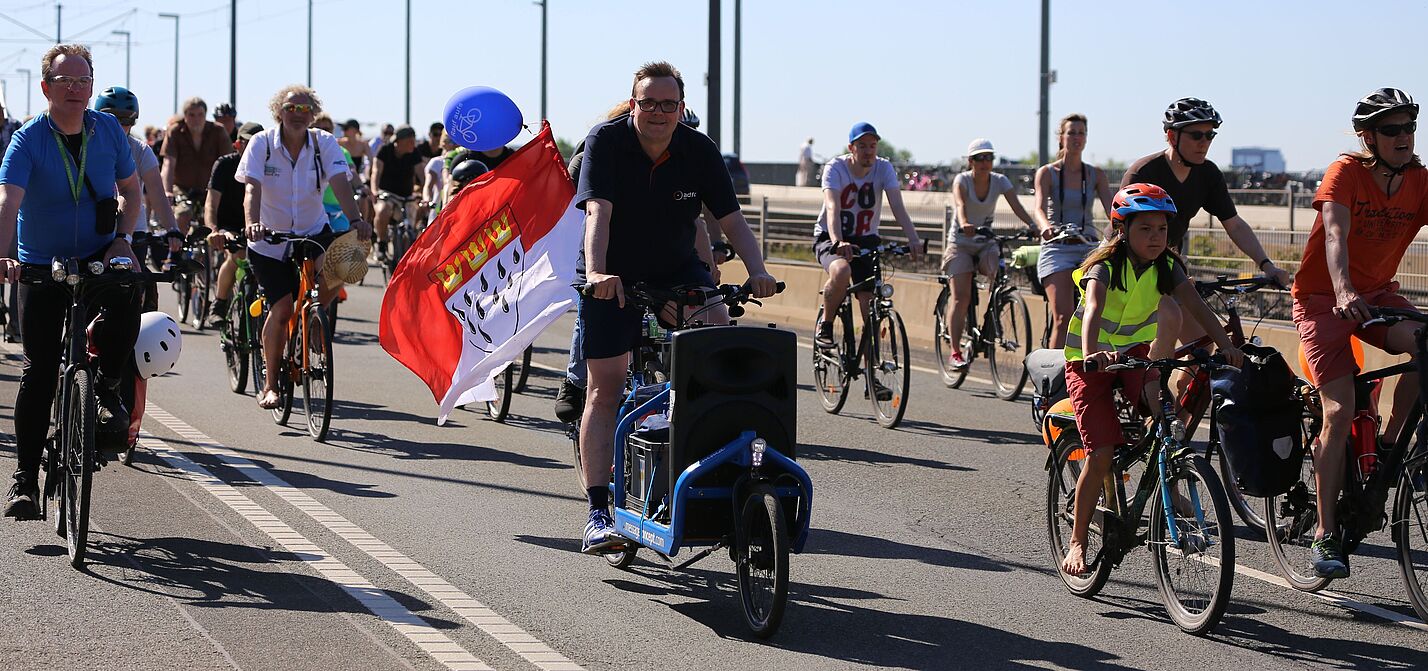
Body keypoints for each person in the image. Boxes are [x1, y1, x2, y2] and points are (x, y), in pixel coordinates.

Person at [575, 61, 778, 553]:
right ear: (634, 103)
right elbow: (598, 213)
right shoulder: (605, 142)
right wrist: (599, 272)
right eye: (648, 103)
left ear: (681, 108)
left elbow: (731, 220)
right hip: (614, 272)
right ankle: (598, 513)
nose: (659, 113)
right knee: (604, 389)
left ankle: (713, 467)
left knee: (718, 331)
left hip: (675, 268)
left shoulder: (698, 150)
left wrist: (758, 269)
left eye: (669, 104)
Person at [1059, 183, 1243, 576]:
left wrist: (1228, 346)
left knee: (1165, 417)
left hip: (1134, 356)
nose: (1156, 237)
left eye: (1161, 229)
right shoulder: (1104, 266)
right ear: (1122, 230)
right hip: (1087, 362)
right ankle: (1077, 540)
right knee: (1102, 452)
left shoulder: (1168, 266)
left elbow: (1198, 306)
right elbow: (1092, 308)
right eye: (1145, 229)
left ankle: (1172, 487)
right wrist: (1092, 353)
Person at [0, 44, 145, 519]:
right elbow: (9, 202)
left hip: (100, 253)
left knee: (130, 292)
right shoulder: (27, 140)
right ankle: (23, 479)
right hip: (41, 262)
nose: (77, 90)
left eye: (84, 81)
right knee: (39, 370)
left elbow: (131, 189)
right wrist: (4, 255)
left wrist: (124, 239)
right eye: (66, 82)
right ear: (46, 88)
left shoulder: (107, 130)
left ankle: (104, 388)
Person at [1293, 88, 1428, 579]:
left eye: (1410, 127)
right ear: (1368, 136)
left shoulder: (1419, 180)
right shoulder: (1346, 172)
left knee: (1425, 346)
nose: (1404, 137)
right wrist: (1344, 288)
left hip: (1380, 296)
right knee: (1339, 408)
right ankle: (1325, 532)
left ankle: (1392, 444)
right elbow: (1333, 232)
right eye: (1391, 129)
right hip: (1324, 301)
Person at [236, 84, 370, 410]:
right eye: (291, 108)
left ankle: (312, 318)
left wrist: (356, 220)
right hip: (270, 239)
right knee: (281, 309)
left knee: (350, 261)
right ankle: (269, 385)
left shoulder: (323, 143)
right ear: (278, 111)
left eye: (305, 109)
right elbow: (252, 189)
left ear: (313, 114)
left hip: (312, 231)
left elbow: (340, 183)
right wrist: (252, 222)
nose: (298, 114)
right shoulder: (262, 144)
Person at [1121, 98, 1293, 347]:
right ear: (1172, 136)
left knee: (1202, 343)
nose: (1204, 143)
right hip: (1132, 269)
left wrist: (1268, 266)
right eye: (1196, 135)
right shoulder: (1144, 173)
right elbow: (1120, 232)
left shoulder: (1208, 174)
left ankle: (1180, 389)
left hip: (1169, 267)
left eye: (1210, 135)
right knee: (1163, 334)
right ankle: (1151, 386)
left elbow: (1234, 225)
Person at [812, 122, 923, 370]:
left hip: (866, 240)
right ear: (851, 148)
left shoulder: (883, 168)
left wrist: (913, 239)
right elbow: (832, 206)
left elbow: (897, 206)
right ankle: (826, 325)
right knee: (841, 272)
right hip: (831, 236)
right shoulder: (836, 168)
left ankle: (872, 374)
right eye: (862, 146)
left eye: (872, 145)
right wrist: (838, 240)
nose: (868, 151)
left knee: (869, 306)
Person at [942, 138, 1037, 369]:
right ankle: (955, 351)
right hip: (961, 242)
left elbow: (1016, 205)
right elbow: (961, 204)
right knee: (961, 297)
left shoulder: (1000, 181)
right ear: (970, 161)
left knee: (997, 272)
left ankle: (992, 320)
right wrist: (964, 223)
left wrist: (1033, 225)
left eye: (989, 158)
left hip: (986, 242)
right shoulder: (962, 180)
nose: (985, 162)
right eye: (979, 158)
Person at [1033, 114, 1115, 349]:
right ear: (1062, 137)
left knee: (1098, 311)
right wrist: (1045, 227)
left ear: (1086, 138)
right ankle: (1054, 378)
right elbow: (1038, 208)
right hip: (1057, 247)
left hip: (1087, 246)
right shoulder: (1047, 173)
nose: (1076, 137)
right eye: (1071, 132)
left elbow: (1113, 211)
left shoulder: (1095, 174)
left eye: (1081, 133)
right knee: (1063, 316)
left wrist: (1121, 230)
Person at [205, 121, 263, 326]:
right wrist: (214, 230)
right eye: (248, 143)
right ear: (237, 144)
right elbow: (211, 203)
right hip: (229, 226)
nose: (254, 149)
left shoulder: (271, 166)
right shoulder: (224, 165)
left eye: (259, 144)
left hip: (260, 226)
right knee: (236, 255)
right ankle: (219, 304)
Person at [162, 96, 230, 235]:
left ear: (206, 115)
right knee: (183, 213)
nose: (196, 119)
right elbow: (168, 163)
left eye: (200, 115)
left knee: (217, 218)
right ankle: (176, 252)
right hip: (182, 188)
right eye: (191, 115)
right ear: (185, 116)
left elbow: (227, 163)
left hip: (211, 187)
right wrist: (167, 191)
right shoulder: (175, 132)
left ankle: (217, 253)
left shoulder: (218, 131)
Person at [370, 124, 424, 259]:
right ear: (399, 141)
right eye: (410, 141)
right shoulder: (385, 150)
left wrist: (424, 193)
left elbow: (422, 176)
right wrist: (375, 190)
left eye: (414, 140)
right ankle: (381, 243)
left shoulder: (414, 153)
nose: (413, 143)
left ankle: (407, 255)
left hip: (406, 196)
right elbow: (376, 172)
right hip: (387, 193)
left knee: (410, 225)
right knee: (383, 211)